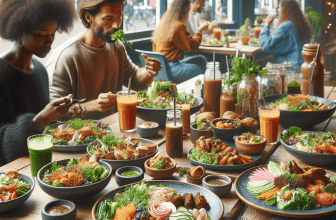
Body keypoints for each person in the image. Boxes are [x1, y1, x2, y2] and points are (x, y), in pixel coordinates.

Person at [46, 0, 162, 120]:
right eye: (109, 19)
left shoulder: (117, 47)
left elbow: (135, 80)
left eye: (119, 17)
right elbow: (54, 113)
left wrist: (148, 72)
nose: (116, 26)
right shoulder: (65, 56)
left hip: (113, 131)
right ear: (88, 17)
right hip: (78, 136)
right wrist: (93, 105)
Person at [0, 0, 77, 166]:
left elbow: (46, 130)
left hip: (44, 165)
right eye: (41, 34)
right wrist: (40, 120)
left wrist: (61, 113)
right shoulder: (1, 75)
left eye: (53, 34)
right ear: (19, 31)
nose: (49, 41)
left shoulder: (40, 69)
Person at [152, 0, 208, 84]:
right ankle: (201, 94)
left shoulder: (163, 24)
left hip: (162, 68)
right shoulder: (178, 26)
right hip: (172, 68)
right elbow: (193, 46)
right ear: (185, 8)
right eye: (189, 8)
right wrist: (200, 30)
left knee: (200, 60)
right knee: (198, 69)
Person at [259, 0, 312, 71]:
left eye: (280, 7)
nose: (278, 10)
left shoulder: (286, 26)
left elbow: (265, 46)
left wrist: (266, 25)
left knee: (258, 66)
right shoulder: (300, 24)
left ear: (286, 10)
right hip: (302, 67)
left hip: (290, 70)